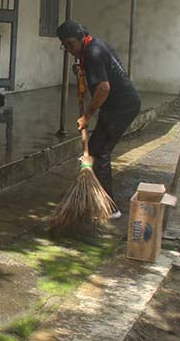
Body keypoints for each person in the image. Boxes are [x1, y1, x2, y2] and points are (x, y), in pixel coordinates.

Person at [57, 21, 141, 219]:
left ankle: (109, 207)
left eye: (70, 44)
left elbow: (103, 88)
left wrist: (87, 115)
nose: (69, 50)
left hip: (121, 106)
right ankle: (97, 199)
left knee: (99, 151)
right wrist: (81, 70)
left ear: (80, 38)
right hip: (117, 105)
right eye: (64, 46)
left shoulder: (92, 53)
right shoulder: (93, 46)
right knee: (96, 149)